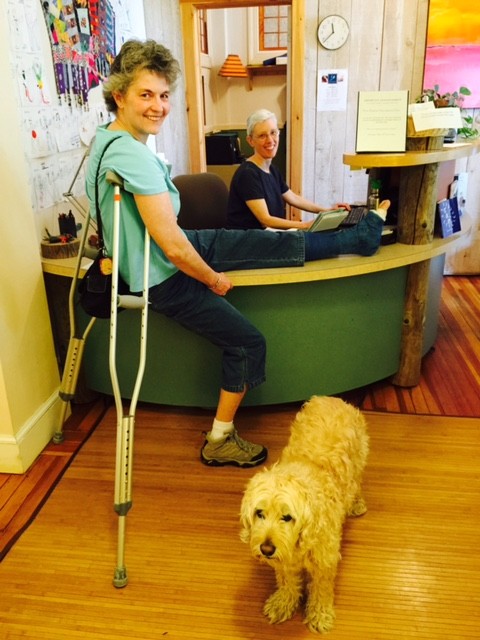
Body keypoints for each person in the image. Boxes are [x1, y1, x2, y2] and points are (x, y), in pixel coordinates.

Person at [85, 39, 389, 469]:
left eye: (164, 95)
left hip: (173, 250)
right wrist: (212, 278)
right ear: (120, 96)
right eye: (145, 94)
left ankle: (357, 235)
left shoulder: (106, 141)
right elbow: (171, 247)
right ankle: (220, 439)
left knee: (270, 242)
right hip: (164, 276)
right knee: (248, 343)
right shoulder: (130, 155)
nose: (158, 106)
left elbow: (168, 236)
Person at [227, 108, 351, 231]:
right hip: (250, 242)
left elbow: (293, 198)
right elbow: (265, 220)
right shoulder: (248, 174)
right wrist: (305, 225)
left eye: (273, 132)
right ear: (250, 141)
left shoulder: (272, 170)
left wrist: (326, 211)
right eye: (262, 136)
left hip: (269, 237)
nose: (270, 140)